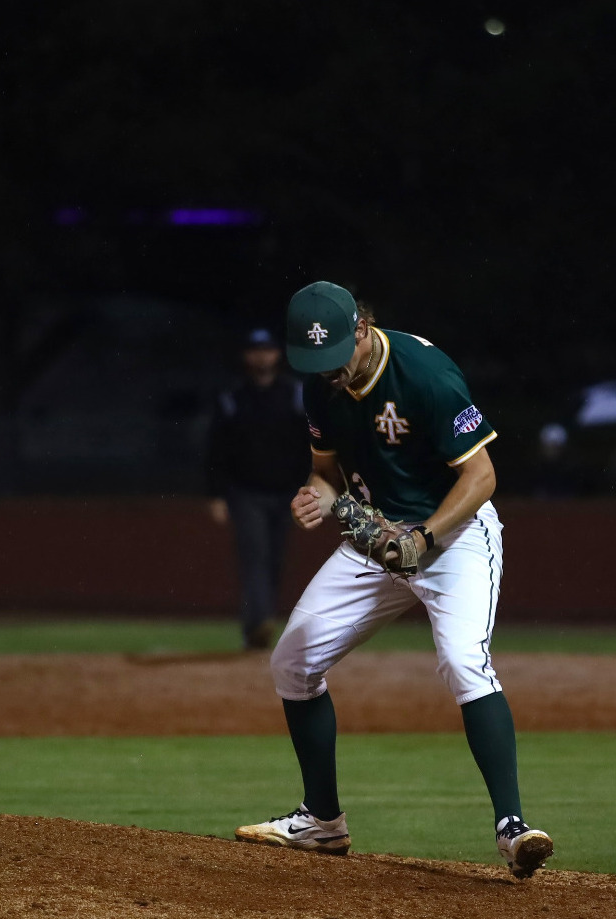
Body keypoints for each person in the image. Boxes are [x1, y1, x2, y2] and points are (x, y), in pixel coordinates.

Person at [234, 282, 554, 878]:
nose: (323, 371)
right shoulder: (319, 383)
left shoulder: (426, 374)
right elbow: (326, 472)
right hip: (375, 538)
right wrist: (316, 497)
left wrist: (425, 538)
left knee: (464, 662)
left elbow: (481, 475)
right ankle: (321, 823)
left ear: (360, 328)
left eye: (331, 355)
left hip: (453, 536)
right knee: (292, 662)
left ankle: (512, 830)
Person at [205, 327, 312, 649]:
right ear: (246, 356)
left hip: (287, 493)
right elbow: (215, 451)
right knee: (255, 556)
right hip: (246, 492)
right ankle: (259, 622)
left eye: (267, 349)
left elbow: (313, 444)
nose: (261, 356)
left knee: (275, 558)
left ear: (277, 354)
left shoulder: (296, 395)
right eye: (255, 350)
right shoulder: (232, 398)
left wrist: (310, 485)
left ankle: (260, 625)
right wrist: (215, 494)